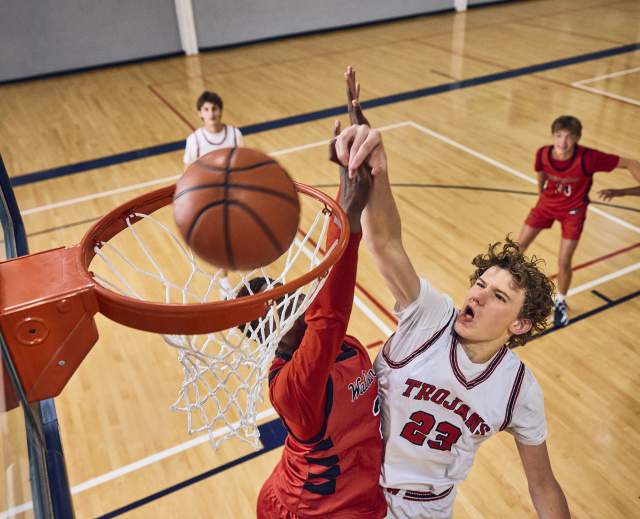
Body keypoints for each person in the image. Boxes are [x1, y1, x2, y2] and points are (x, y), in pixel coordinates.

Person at [333, 112, 570, 516]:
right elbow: (385, 242)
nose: (477, 295)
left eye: (497, 296)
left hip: (424, 510)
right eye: (479, 284)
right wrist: (379, 170)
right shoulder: (431, 317)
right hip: (353, 490)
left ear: (520, 324)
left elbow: (543, 486)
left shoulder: (517, 389)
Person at [247, 123, 386, 518]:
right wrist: (348, 209)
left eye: (282, 289)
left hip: (355, 497)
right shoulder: (293, 387)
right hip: (309, 511)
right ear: (267, 335)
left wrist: (354, 182)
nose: (289, 298)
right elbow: (330, 314)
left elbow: (326, 304)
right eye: (276, 307)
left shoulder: (346, 349)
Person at [516, 116, 640, 326]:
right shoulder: (543, 153)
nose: (563, 142)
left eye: (569, 137)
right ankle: (510, 293)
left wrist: (621, 191)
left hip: (573, 212)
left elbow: (630, 162)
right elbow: (541, 172)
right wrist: (541, 194)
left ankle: (561, 302)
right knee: (517, 248)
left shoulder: (588, 158)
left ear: (577, 139)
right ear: (552, 135)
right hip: (546, 205)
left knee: (564, 260)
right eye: (559, 136)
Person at [183, 91, 244, 296]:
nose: (211, 113)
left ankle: (231, 271)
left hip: (232, 192)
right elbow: (188, 172)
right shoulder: (195, 140)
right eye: (206, 109)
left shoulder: (235, 134)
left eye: (214, 108)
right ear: (200, 113)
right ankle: (224, 280)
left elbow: (243, 162)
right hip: (208, 196)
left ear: (221, 110)